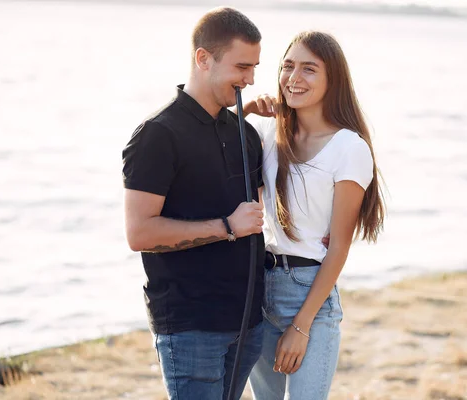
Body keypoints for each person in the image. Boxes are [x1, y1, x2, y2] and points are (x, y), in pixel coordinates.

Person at [121, 7, 267, 400]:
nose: (250, 80)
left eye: (254, 68)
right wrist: (226, 226)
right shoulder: (157, 135)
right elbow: (140, 232)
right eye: (241, 67)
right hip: (191, 328)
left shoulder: (245, 134)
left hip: (249, 324)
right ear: (203, 59)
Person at [243, 31, 385, 399]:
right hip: (261, 287)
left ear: (332, 79)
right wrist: (241, 112)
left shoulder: (348, 148)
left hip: (311, 294)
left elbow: (338, 247)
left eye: (309, 69)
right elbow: (210, 154)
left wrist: (302, 325)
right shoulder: (268, 133)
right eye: (288, 66)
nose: (294, 78)